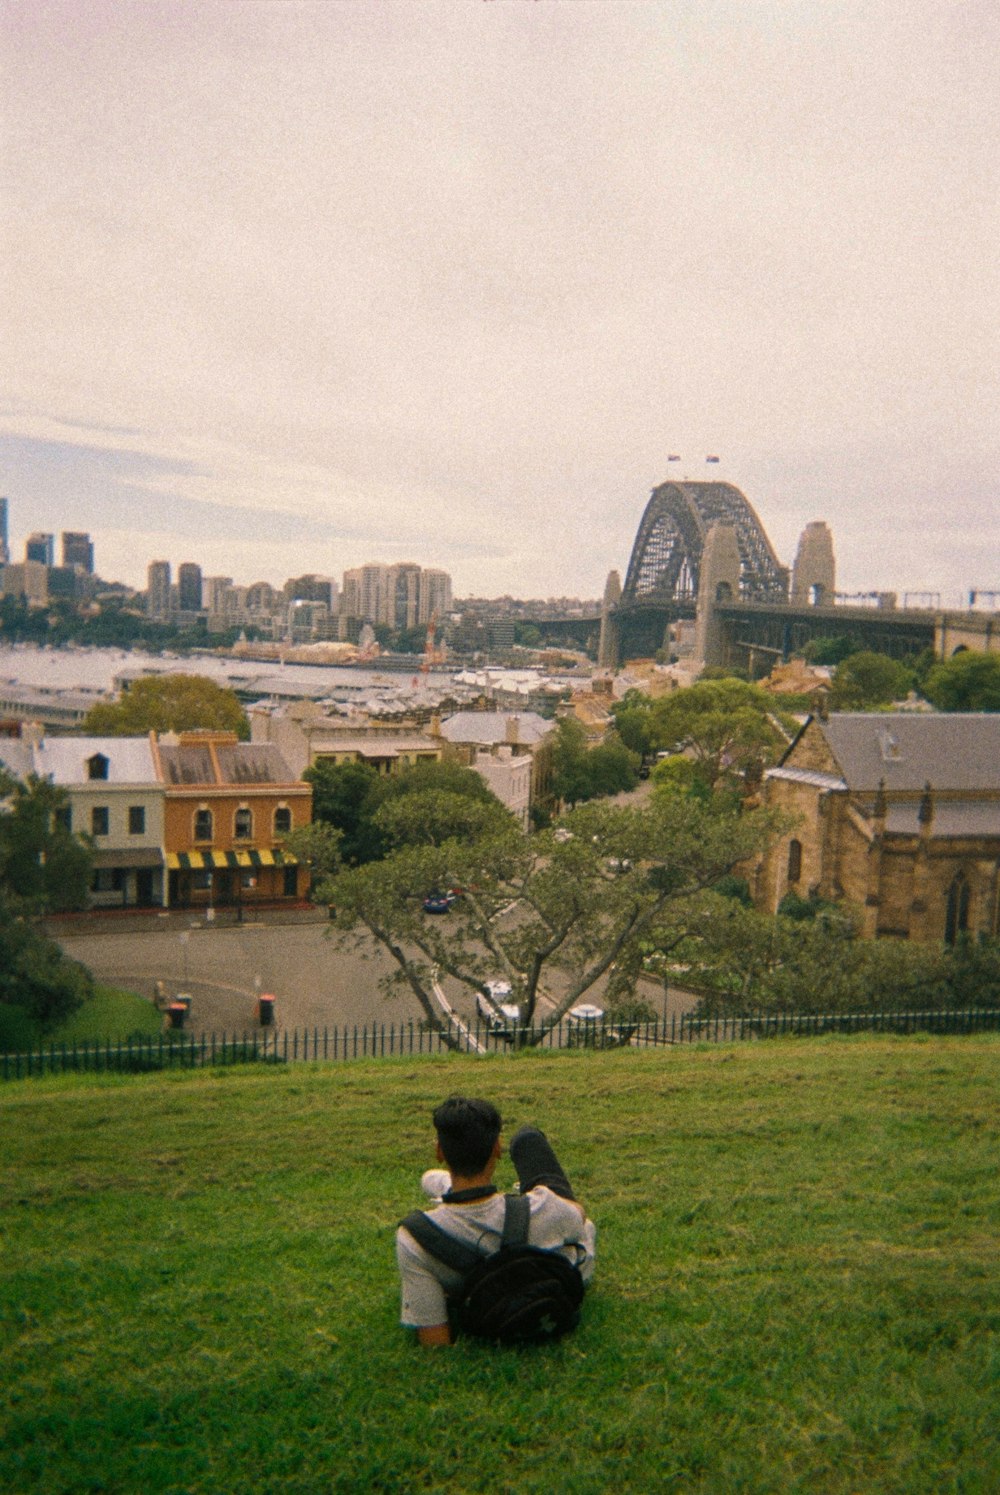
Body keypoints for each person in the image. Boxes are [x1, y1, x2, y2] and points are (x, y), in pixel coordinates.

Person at [396, 1095, 596, 1347]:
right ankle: (460, 1186)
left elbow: (434, 1339)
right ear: (497, 1149)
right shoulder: (544, 1205)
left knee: (430, 1179)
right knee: (528, 1140)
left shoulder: (416, 1238)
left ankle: (447, 1187)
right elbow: (578, 1214)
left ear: (439, 1151)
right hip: (548, 1269)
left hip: (478, 1293)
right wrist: (539, 1194)